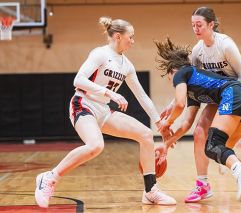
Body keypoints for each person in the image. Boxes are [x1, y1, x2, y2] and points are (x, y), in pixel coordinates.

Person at [34, 16, 176, 208]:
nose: (133, 41)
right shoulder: (100, 54)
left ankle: (150, 191)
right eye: (130, 37)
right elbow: (79, 80)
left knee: (146, 134)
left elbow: (142, 96)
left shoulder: (127, 65)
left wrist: (160, 123)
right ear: (118, 36)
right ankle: (49, 178)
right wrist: (109, 93)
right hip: (83, 104)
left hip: (103, 110)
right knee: (95, 145)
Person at [160, 6, 241, 202]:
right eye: (193, 25)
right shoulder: (197, 51)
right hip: (220, 92)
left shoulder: (225, 44)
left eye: (199, 25)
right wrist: (172, 103)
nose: (195, 29)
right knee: (201, 131)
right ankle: (202, 184)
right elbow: (193, 82)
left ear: (211, 25)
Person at [154, 37, 241, 202]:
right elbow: (186, 124)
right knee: (222, 149)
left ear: (172, 71)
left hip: (234, 93)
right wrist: (166, 145)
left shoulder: (182, 73)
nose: (172, 83)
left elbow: (178, 104)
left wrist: (167, 122)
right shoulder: (193, 87)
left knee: (212, 146)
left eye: (169, 78)